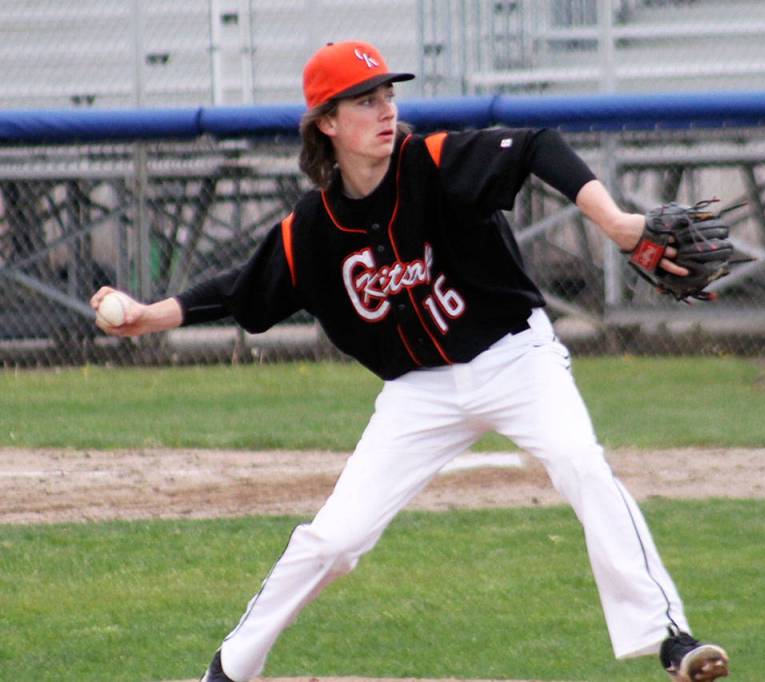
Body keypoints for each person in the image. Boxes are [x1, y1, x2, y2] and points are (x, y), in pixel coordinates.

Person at [90, 40, 729, 682]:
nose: (386, 109)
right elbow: (236, 287)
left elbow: (535, 144)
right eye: (365, 101)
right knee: (334, 539)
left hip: (515, 358)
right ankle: (230, 668)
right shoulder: (312, 228)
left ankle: (671, 638)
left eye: (389, 95)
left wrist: (616, 222)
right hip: (418, 393)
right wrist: (149, 315)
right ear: (328, 124)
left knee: (581, 467)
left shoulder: (434, 162)